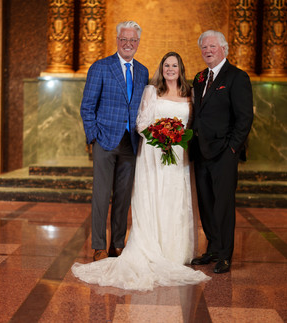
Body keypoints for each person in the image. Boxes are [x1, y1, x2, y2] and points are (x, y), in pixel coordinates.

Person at [72, 52, 210, 291]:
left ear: (181, 68)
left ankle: (172, 250)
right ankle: (102, 246)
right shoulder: (151, 90)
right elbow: (142, 123)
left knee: (174, 201)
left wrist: (176, 139)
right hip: (152, 153)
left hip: (178, 155)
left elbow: (191, 124)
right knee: (142, 198)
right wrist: (160, 137)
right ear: (161, 67)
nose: (170, 69)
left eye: (174, 65)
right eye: (166, 64)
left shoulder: (190, 94)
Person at [80, 21, 149, 262]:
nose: (128, 44)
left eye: (133, 40)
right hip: (105, 140)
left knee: (123, 196)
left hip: (131, 143)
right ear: (117, 40)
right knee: (101, 195)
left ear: (138, 43)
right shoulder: (100, 67)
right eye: (124, 39)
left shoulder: (142, 71)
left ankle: (117, 244)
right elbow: (87, 106)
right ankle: (98, 246)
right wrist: (94, 136)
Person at [190, 30, 253, 273]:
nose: (207, 50)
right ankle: (213, 248)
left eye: (212, 46)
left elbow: (245, 117)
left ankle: (225, 255)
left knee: (223, 205)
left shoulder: (237, 77)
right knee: (206, 203)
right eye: (204, 47)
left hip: (224, 153)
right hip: (201, 151)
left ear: (224, 49)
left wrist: (233, 148)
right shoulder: (199, 77)